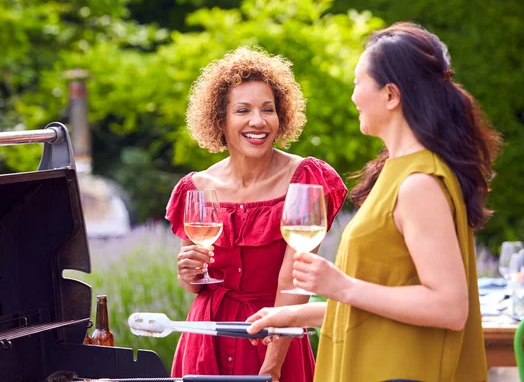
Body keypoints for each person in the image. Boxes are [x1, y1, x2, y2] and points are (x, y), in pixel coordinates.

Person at [246, 22, 502, 382]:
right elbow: (382, 301)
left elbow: (448, 307)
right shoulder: (397, 173)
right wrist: (292, 316)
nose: (353, 96)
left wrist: (340, 286)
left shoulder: (418, 184)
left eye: (357, 82)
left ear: (391, 95)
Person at [165, 47, 348, 382]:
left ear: (283, 117)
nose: (258, 121)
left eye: (268, 109)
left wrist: (272, 363)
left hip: (275, 336)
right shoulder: (198, 186)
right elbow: (195, 285)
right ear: (221, 120)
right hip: (207, 336)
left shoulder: (305, 179)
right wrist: (187, 272)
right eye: (243, 110)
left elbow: (293, 281)